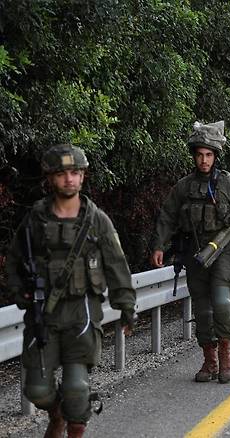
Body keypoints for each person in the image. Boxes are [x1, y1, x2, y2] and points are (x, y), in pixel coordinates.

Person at [5, 144, 136, 437]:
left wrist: (127, 307)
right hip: (44, 315)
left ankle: (74, 422)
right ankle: (57, 413)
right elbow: (14, 261)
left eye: (75, 172)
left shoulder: (96, 220)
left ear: (83, 177)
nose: (69, 179)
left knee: (77, 388)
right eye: (62, 173)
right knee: (37, 389)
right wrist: (19, 293)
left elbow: (117, 265)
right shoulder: (36, 220)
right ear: (50, 178)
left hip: (83, 312)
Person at [150, 121, 230, 384]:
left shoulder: (229, 186)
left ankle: (225, 356)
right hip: (195, 254)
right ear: (194, 156)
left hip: (223, 252)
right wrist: (158, 245)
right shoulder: (184, 187)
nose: (203, 160)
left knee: (221, 302)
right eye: (199, 155)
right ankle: (209, 360)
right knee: (202, 309)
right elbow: (167, 216)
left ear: (215, 156)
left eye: (208, 155)